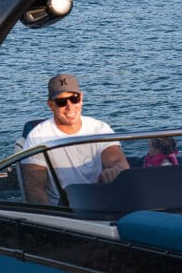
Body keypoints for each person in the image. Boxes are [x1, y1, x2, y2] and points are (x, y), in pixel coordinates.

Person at [21, 73, 130, 204]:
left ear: (81, 98)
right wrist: (55, 216)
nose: (69, 106)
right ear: (51, 105)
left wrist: (115, 170)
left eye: (74, 98)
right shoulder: (37, 138)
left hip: (99, 204)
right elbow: (35, 189)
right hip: (64, 210)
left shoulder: (100, 129)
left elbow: (119, 162)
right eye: (61, 102)